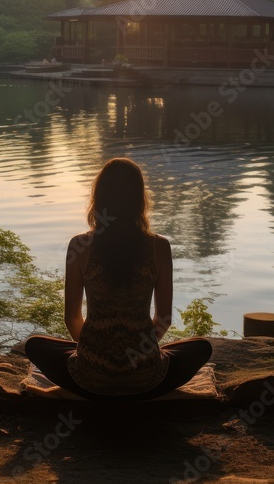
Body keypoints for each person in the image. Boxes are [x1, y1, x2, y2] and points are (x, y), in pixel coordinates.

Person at [24, 158, 212, 399]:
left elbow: (72, 318)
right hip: (145, 378)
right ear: (139, 200)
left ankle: (98, 381)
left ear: (98, 199)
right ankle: (136, 384)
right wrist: (139, 354)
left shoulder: (79, 246)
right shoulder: (160, 247)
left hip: (89, 378)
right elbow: (163, 319)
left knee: (36, 345)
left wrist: (96, 352)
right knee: (200, 348)